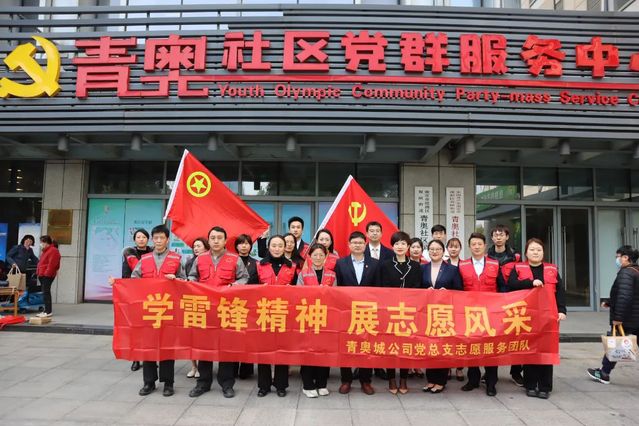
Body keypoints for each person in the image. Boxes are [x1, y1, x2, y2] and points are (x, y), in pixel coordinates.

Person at [187, 226, 249, 399]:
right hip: (205, 309)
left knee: (226, 348)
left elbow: (244, 277)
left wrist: (235, 286)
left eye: (219, 238)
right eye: (213, 238)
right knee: (204, 347)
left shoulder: (235, 259)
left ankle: (227, 384)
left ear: (225, 240)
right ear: (209, 240)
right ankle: (203, 383)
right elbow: (192, 276)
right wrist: (192, 283)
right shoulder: (200, 259)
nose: (216, 241)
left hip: (226, 309)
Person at [132, 224, 186, 398]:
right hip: (149, 310)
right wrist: (117, 284)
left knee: (167, 346)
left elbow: (185, 281)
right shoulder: (145, 259)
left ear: (167, 239)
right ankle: (149, 382)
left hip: (169, 310)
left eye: (162, 238)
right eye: (156, 238)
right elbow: (133, 280)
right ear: (152, 240)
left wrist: (176, 279)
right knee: (148, 346)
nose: (159, 241)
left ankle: (168, 383)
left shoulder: (176, 259)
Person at [509, 238, 567, 398]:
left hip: (548, 315)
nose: (535, 252)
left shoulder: (552, 269)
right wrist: (530, 283)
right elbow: (511, 284)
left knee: (547, 349)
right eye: (532, 249)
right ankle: (530, 384)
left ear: (543, 252)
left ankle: (545, 386)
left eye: (539, 250)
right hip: (526, 316)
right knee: (530, 349)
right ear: (526, 252)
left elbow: (560, 290)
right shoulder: (518, 268)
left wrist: (562, 310)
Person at [378, 231, 424, 394]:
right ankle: (391, 378)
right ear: (392, 246)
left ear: (408, 246)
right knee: (390, 344)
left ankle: (403, 378)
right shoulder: (385, 265)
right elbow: (381, 287)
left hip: (408, 311)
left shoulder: (416, 266)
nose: (400, 246)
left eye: (403, 243)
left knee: (406, 345)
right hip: (390, 311)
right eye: (397, 243)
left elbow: (418, 288)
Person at [334, 231, 379, 396]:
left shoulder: (374, 264)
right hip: (346, 311)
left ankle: (365, 381)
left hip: (368, 312)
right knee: (346, 345)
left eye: (360, 243)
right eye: (354, 243)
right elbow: (337, 288)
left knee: (366, 346)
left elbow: (379, 288)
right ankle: (346, 380)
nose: (357, 245)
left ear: (365, 244)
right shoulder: (341, 263)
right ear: (349, 245)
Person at [587, 245, 639, 385]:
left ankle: (604, 373)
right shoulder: (636, 271)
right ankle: (604, 372)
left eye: (618, 257)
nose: (617, 260)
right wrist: (610, 302)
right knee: (618, 344)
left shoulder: (626, 273)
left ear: (625, 257)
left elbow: (625, 296)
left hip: (628, 318)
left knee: (616, 344)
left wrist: (618, 317)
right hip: (635, 316)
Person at [458, 232, 500, 397]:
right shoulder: (462, 265)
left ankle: (491, 383)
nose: (476, 247)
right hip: (470, 313)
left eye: (479, 244)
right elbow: (458, 289)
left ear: (485, 246)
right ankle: (473, 380)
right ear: (469, 246)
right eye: (473, 244)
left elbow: (502, 288)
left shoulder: (495, 264)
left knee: (491, 348)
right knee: (472, 346)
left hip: (491, 313)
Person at [256, 235, 297, 397]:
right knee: (263, 350)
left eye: (280, 245)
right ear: (268, 247)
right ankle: (264, 385)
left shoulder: (292, 266)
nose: (277, 248)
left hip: (284, 313)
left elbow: (299, 289)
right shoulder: (260, 265)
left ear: (285, 247)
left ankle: (281, 385)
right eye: (274, 245)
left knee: (282, 350)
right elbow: (251, 287)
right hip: (264, 313)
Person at [108, 228, 153, 372]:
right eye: (138, 237)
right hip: (135, 295)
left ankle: (150, 358)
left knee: (150, 328)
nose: (141, 239)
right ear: (134, 240)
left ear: (148, 239)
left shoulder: (153, 252)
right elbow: (129, 274)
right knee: (135, 327)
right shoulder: (129, 253)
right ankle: (136, 358)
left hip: (151, 296)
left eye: (144, 237)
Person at [422, 239, 463, 393]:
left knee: (442, 346)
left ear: (443, 251)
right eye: (431, 249)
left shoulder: (452, 269)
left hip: (445, 314)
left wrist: (448, 292)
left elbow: (460, 290)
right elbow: (416, 289)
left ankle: (441, 381)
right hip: (427, 313)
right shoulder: (423, 268)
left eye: (438, 249)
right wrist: (425, 291)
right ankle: (430, 379)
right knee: (429, 346)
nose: (434, 252)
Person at [297, 243, 336, 398]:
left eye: (321, 255)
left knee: (324, 351)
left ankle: (321, 383)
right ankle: (308, 384)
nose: (318, 258)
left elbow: (336, 295)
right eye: (315, 255)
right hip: (307, 316)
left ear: (326, 257)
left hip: (326, 317)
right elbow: (298, 295)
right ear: (310, 256)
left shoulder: (332, 274)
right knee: (308, 350)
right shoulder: (303, 274)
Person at [487, 224, 523, 386]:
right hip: (492, 302)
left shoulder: (516, 257)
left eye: (501, 234)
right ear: (492, 238)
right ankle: (489, 373)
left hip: (512, 300)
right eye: (495, 235)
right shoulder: (487, 256)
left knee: (516, 336)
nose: (498, 237)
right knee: (492, 336)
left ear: (507, 237)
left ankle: (516, 372)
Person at [184, 237, 210, 380]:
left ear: (206, 247)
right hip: (193, 301)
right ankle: (194, 366)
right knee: (192, 335)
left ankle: (202, 364)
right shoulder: (189, 262)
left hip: (209, 301)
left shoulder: (210, 261)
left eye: (199, 246)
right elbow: (187, 279)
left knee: (204, 336)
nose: (196, 248)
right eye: (194, 246)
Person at [234, 233, 258, 380]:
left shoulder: (256, 263)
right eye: (241, 243)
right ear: (236, 246)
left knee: (248, 336)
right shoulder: (231, 261)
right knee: (234, 336)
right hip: (233, 303)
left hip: (250, 304)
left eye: (247, 243)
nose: (244, 246)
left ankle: (246, 369)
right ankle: (232, 367)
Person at [445, 237, 464, 381]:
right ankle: (447, 366)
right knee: (447, 337)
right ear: (447, 249)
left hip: (461, 305)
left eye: (456, 246)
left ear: (460, 249)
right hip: (445, 307)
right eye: (451, 246)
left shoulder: (465, 264)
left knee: (460, 337)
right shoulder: (443, 265)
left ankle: (459, 367)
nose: (453, 249)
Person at [35, 235, 60, 319]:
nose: (41, 244)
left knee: (46, 292)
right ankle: (46, 310)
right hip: (42, 274)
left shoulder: (53, 250)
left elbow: (52, 264)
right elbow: (41, 263)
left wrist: (46, 274)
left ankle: (48, 311)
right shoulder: (45, 251)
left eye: (42, 242)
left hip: (47, 275)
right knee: (45, 292)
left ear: (46, 242)